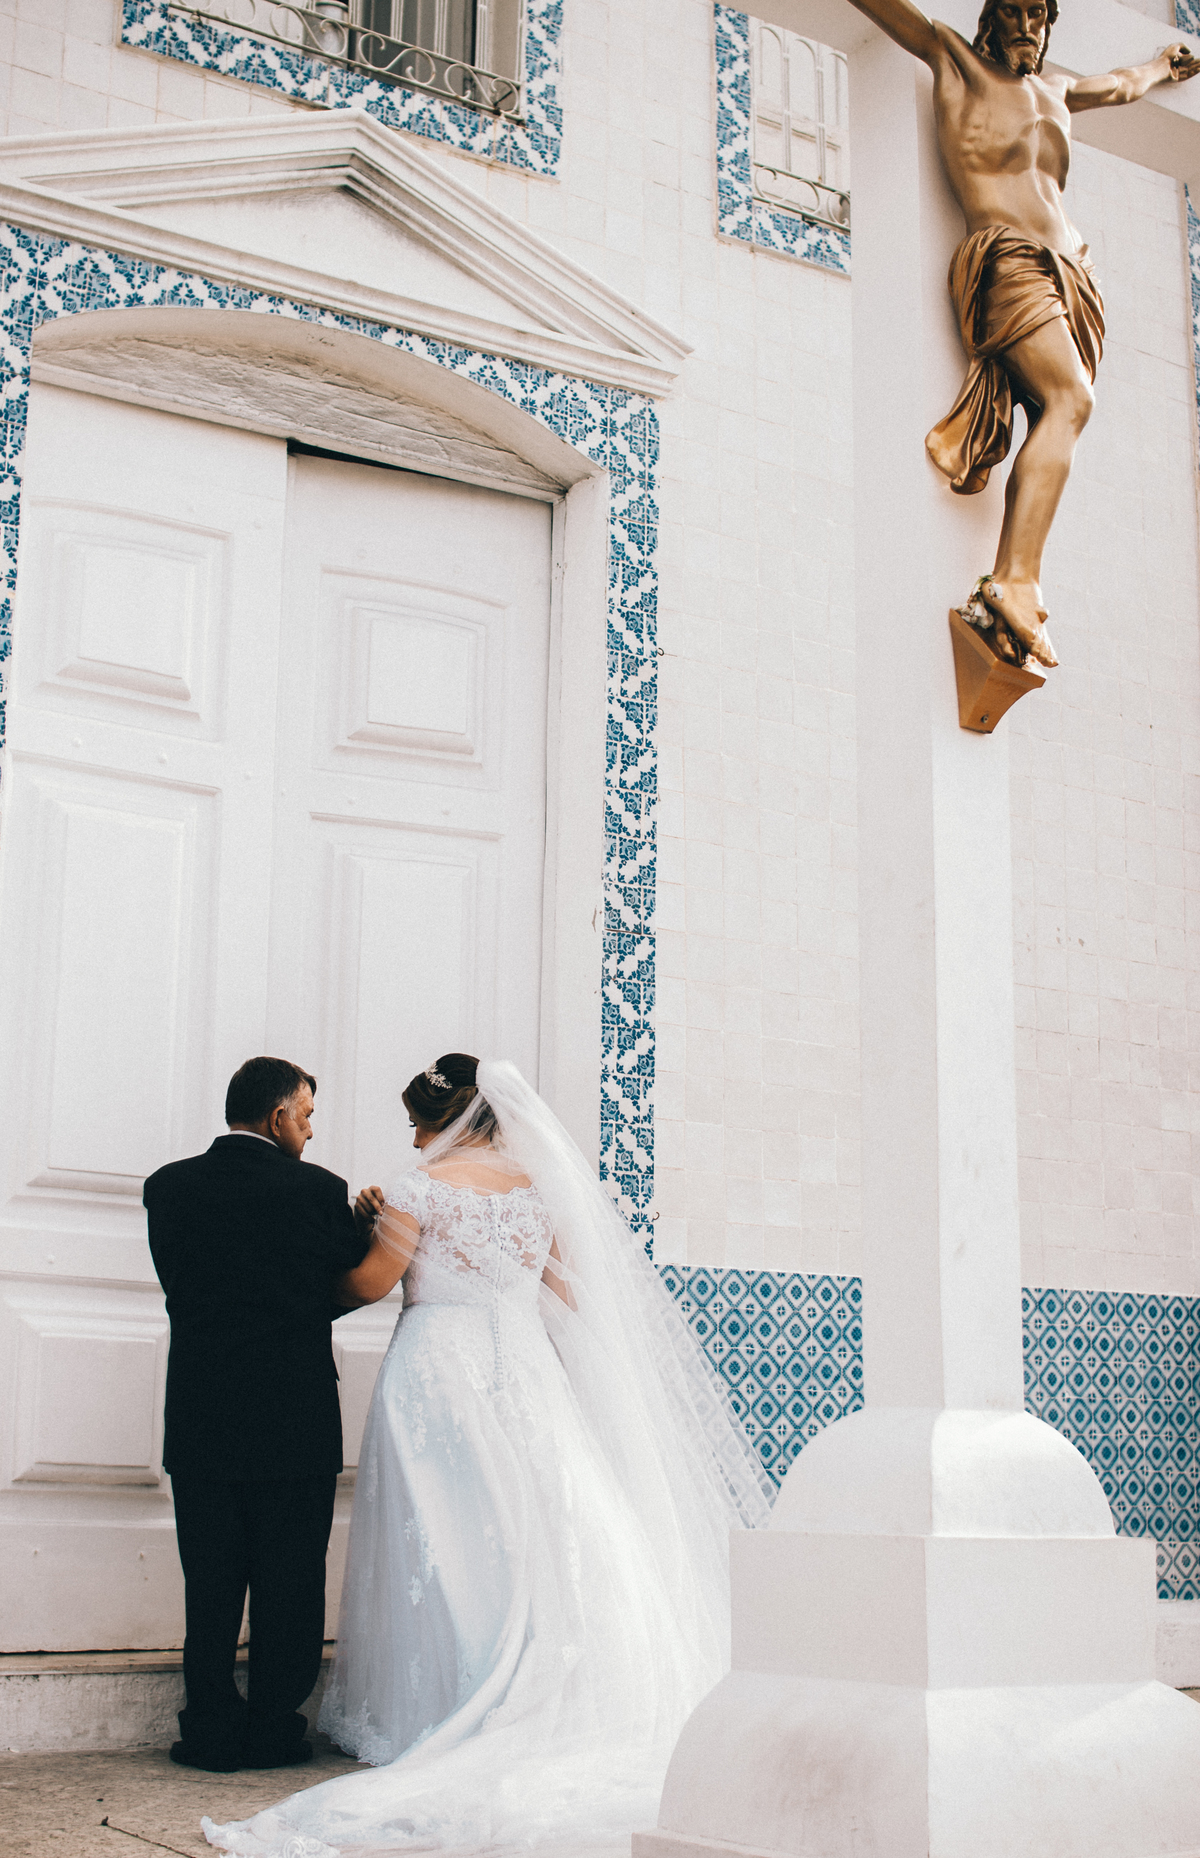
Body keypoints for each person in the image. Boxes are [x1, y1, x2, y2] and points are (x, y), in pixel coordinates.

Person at [202, 1054, 774, 1857]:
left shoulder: (418, 1190)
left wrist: (341, 1252)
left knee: (445, 1531)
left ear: (444, 1122)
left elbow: (368, 1285)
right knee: (537, 1527)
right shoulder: (543, 1194)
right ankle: (550, 1683)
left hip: (439, 1373)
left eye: (416, 1123)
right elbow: (564, 1299)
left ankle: (448, 1696)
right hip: (526, 1369)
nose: (413, 1138)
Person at [845, 0, 1199, 667]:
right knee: (1072, 400)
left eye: (1040, 14)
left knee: (1063, 406)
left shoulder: (1058, 90)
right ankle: (1015, 580)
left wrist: (1162, 65)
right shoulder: (955, 59)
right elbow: (893, 12)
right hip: (1007, 258)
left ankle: (1013, 590)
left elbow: (1119, 86)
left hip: (1073, 276)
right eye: (1017, 11)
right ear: (992, 17)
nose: (1030, 26)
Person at [145, 1057, 370, 1774]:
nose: (310, 1130)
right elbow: (344, 1283)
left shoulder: (168, 1187)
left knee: (210, 1584)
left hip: (202, 1416)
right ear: (278, 1117)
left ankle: (209, 1731)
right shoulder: (320, 1192)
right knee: (291, 1584)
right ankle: (274, 1729)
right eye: (306, 1115)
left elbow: (183, 1286)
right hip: (293, 1420)